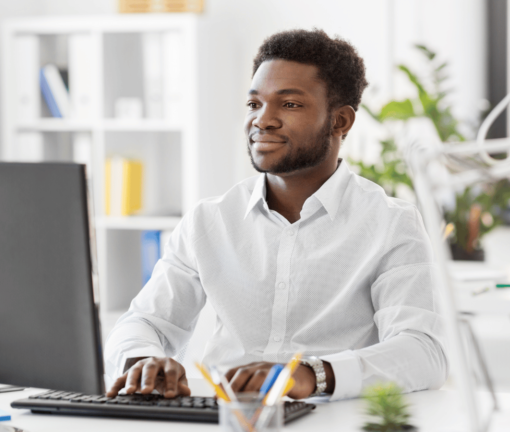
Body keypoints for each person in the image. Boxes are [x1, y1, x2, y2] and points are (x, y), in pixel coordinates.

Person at [105, 28, 447, 401]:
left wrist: (309, 375)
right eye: (254, 104)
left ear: (341, 122)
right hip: (223, 420)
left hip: (329, 422)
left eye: (290, 105)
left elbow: (422, 352)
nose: (262, 121)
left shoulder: (391, 223)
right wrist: (144, 359)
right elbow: (145, 322)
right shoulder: (209, 221)